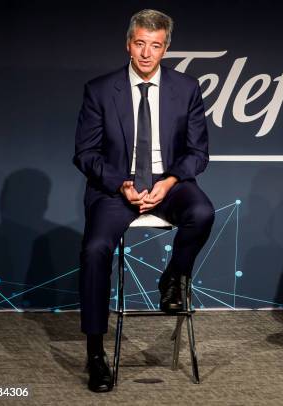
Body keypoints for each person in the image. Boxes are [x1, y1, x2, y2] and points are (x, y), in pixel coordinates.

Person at [73, 9, 214, 392]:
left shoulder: (186, 89)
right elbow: (85, 154)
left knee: (202, 212)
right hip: (117, 189)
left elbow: (198, 153)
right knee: (95, 250)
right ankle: (95, 352)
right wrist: (122, 184)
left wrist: (169, 182)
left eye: (155, 45)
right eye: (140, 44)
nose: (147, 53)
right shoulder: (101, 89)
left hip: (168, 186)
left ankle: (173, 276)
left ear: (166, 48)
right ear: (128, 44)